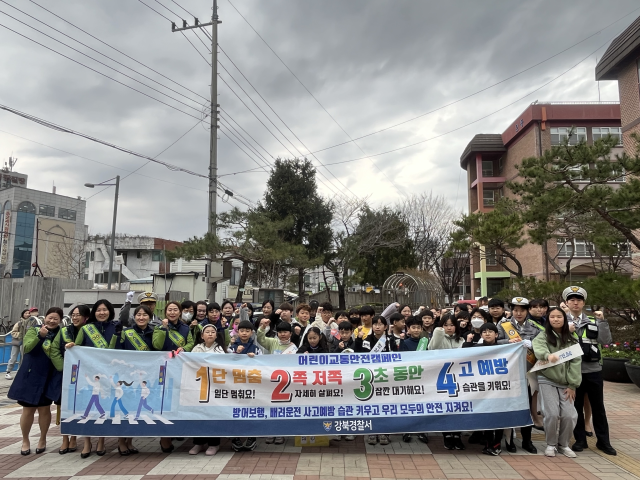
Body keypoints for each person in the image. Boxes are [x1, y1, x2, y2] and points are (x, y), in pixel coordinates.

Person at [563, 286, 616, 456]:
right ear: (566, 303)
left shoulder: (594, 320)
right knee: (576, 407)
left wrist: (602, 321)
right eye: (572, 300)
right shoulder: (560, 321)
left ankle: (604, 441)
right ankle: (580, 440)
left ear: (584, 302)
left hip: (593, 369)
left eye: (578, 300)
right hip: (572, 371)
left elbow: (605, 340)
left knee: (598, 407)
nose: (575, 302)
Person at [7, 307, 62, 456]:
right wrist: (40, 336)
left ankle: (42, 439)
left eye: (56, 318)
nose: (52, 321)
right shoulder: (34, 330)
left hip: (49, 375)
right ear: (45, 318)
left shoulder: (61, 334)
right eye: (50, 317)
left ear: (60, 321)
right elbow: (27, 348)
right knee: (28, 409)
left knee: (44, 409)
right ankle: (25, 440)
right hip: (31, 375)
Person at [71, 299, 121, 457]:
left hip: (108, 376)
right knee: (87, 408)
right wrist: (72, 347)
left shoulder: (116, 328)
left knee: (104, 408)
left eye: (105, 310)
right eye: (99, 310)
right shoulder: (86, 329)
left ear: (110, 312)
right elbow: (77, 349)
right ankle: (87, 442)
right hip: (90, 375)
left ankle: (101, 441)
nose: (102, 313)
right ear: (94, 312)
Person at [532, 307, 581, 458]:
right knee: (552, 414)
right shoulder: (543, 335)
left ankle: (563, 444)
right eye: (552, 317)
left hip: (566, 383)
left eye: (559, 316)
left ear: (564, 319)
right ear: (549, 319)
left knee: (570, 415)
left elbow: (576, 363)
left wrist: (572, 385)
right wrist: (547, 355)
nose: (555, 319)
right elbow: (538, 348)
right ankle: (551, 444)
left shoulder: (572, 338)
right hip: (547, 379)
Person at [496, 297, 541, 453]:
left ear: (527, 310)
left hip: (527, 374)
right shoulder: (503, 325)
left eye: (522, 310)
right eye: (515, 310)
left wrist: (532, 345)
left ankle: (527, 441)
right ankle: (509, 440)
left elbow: (543, 345)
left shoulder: (535, 327)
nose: (519, 313)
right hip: (508, 374)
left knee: (527, 408)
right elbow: (494, 343)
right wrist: (507, 343)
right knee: (509, 406)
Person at [50, 304, 90, 454]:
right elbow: (54, 350)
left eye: (78, 314)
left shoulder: (90, 332)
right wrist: (63, 367)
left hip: (84, 377)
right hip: (66, 376)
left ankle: (74, 437)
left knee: (79, 406)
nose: (75, 317)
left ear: (86, 317)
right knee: (64, 406)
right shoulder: (64, 331)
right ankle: (65, 438)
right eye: (73, 314)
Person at [463, 323, 504, 455]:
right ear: (480, 335)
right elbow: (463, 354)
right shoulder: (477, 348)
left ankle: (496, 444)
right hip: (482, 389)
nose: (487, 334)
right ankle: (488, 443)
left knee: (498, 416)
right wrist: (468, 342)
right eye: (484, 332)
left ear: (496, 334)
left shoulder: (505, 348)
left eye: (490, 331)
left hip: (499, 389)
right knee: (486, 416)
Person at [429, 314, 465, 450]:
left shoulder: (461, 340)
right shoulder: (438, 337)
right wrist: (439, 329)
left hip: (458, 379)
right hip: (442, 379)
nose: (449, 328)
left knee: (458, 408)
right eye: (446, 325)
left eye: (451, 325)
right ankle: (447, 435)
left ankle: (457, 435)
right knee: (445, 407)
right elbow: (432, 348)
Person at [189, 324, 226, 455]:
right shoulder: (196, 349)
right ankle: (198, 443)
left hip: (214, 387)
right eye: (207, 332)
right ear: (202, 336)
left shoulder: (220, 349)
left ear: (216, 335)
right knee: (198, 415)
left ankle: (214, 444)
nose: (210, 334)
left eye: (212, 332)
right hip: (199, 387)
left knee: (213, 415)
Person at [355, 315, 390, 446]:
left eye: (380, 324)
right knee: (371, 406)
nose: (377, 326)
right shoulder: (366, 340)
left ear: (385, 327)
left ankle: (384, 432)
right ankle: (372, 431)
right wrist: (358, 339)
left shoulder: (389, 341)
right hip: (369, 378)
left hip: (386, 377)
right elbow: (358, 354)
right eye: (375, 324)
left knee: (384, 405)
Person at [228, 319, 258, 451]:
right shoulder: (231, 347)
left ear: (252, 333)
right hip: (235, 384)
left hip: (251, 385)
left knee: (251, 411)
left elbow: (263, 365)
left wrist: (255, 358)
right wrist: (236, 354)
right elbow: (225, 362)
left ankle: (252, 437)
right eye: (242, 331)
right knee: (234, 411)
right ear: (237, 332)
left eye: (247, 331)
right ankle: (235, 438)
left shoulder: (257, 348)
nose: (244, 333)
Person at [6, 309, 38, 379]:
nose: (27, 314)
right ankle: (8, 372)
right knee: (13, 358)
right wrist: (21, 335)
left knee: (22, 358)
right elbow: (13, 332)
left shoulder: (31, 323)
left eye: (28, 313)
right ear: (22, 314)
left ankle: (19, 372)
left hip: (25, 343)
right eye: (25, 313)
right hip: (17, 342)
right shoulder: (19, 323)